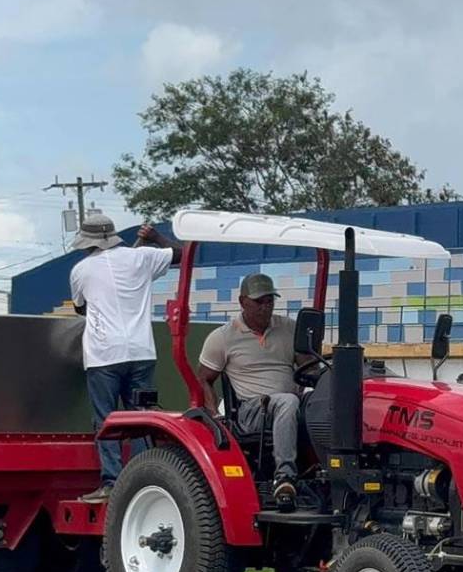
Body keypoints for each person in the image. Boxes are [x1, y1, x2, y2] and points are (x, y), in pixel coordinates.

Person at [70, 212, 181, 502]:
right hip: (141, 351)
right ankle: (146, 479)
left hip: (104, 355)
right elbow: (182, 254)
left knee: (106, 420)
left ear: (88, 242)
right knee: (143, 419)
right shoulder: (142, 257)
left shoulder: (81, 270)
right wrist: (156, 238)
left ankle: (112, 481)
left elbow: (80, 309)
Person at [196, 273, 301, 509]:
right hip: (253, 411)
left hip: (290, 404)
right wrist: (214, 416)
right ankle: (285, 477)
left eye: (269, 301)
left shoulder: (288, 328)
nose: (265, 307)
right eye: (259, 302)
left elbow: (307, 366)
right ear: (243, 302)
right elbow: (203, 379)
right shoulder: (223, 337)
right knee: (288, 402)